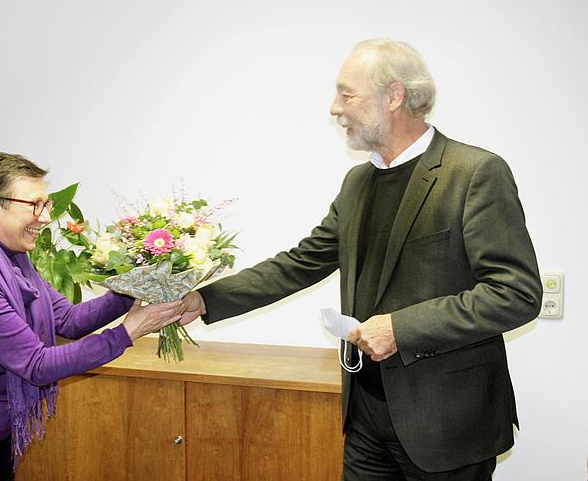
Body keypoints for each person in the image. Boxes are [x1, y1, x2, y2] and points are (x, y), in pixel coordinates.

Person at [179, 38, 542, 480]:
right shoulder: (357, 182)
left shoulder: (474, 173)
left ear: (394, 95)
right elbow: (301, 262)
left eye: (346, 94)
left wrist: (400, 328)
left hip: (446, 425)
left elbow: (515, 294)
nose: (334, 108)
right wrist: (201, 301)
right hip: (366, 418)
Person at [0, 152, 183, 480]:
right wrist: (126, 333)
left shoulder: (12, 261)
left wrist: (130, 287)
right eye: (35, 205)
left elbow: (70, 320)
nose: (45, 217)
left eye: (46, 205)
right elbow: (37, 366)